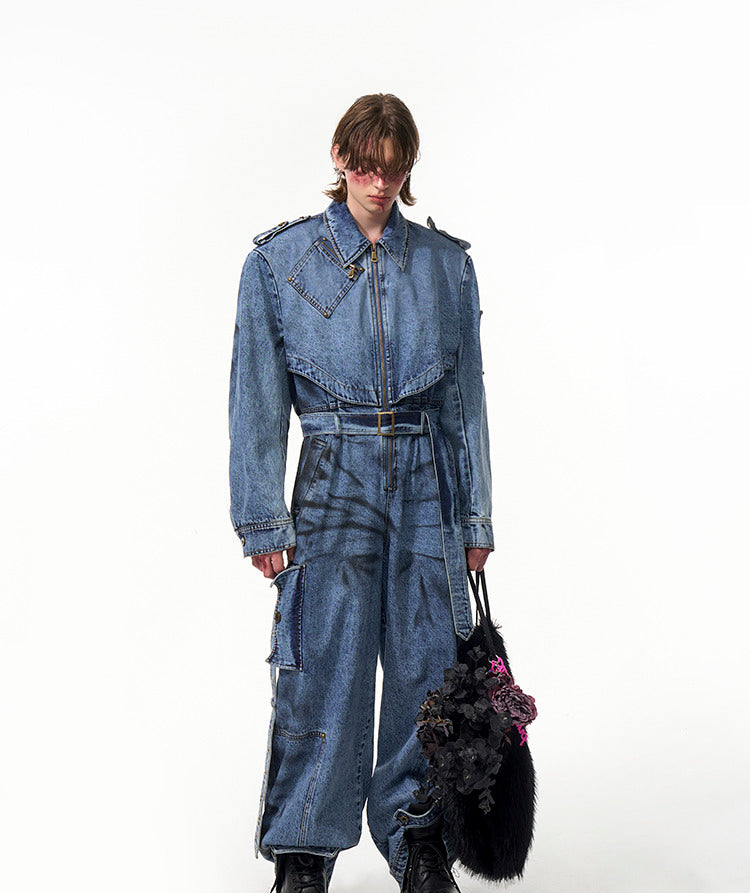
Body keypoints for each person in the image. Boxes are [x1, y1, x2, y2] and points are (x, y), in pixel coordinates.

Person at [228, 93, 494, 893]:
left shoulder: (446, 266)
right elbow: (256, 400)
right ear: (340, 157)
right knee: (321, 666)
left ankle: (419, 840)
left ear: (409, 168)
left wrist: (475, 515)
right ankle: (303, 852)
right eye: (367, 165)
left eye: (395, 167)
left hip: (426, 479)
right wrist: (262, 518)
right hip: (332, 474)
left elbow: (465, 402)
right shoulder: (279, 264)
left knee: (427, 665)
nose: (380, 182)